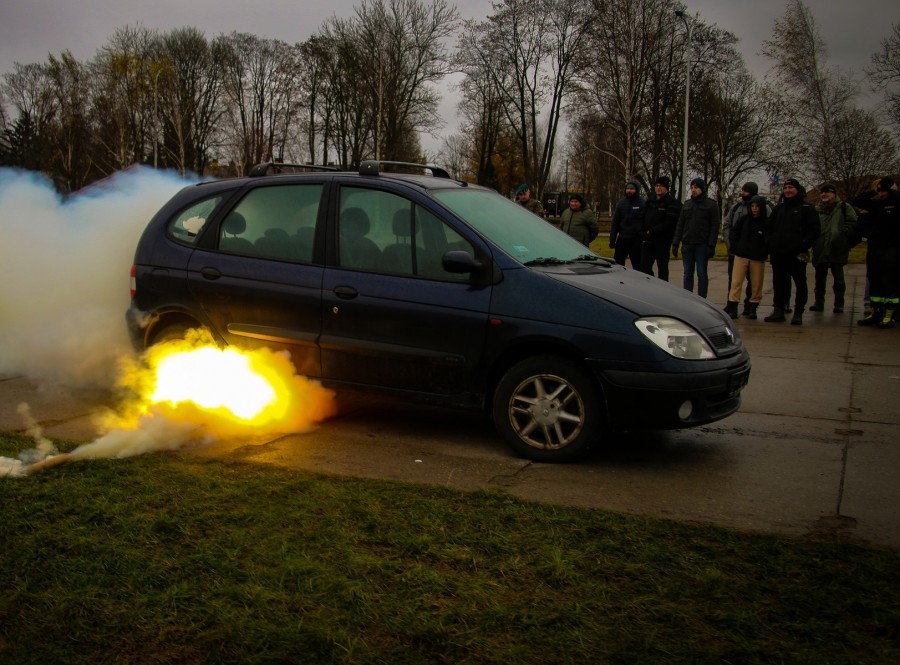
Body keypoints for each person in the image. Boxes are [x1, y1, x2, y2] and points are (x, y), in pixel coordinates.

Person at [763, 178, 820, 325]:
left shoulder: (807, 208)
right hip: (778, 254)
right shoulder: (778, 209)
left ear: (797, 189)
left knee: (800, 283)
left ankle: (798, 312)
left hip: (797, 254)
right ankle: (779, 310)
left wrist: (802, 245)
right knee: (779, 283)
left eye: (790, 187)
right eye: (785, 188)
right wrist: (770, 242)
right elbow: (768, 228)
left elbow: (814, 231)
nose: (787, 190)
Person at [853, 177, 900, 328]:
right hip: (875, 247)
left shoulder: (896, 204)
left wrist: (892, 191)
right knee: (874, 280)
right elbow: (857, 201)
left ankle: (890, 314)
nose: (881, 194)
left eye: (884, 191)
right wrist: (874, 190)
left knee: (890, 281)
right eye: (879, 191)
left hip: (892, 248)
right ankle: (876, 312)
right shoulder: (875, 205)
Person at [723, 183, 771, 315]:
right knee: (735, 282)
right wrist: (732, 246)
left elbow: (769, 236)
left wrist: (764, 250)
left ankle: (751, 307)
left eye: (757, 206)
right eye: (752, 206)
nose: (755, 209)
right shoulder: (738, 211)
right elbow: (731, 229)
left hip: (757, 257)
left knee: (755, 284)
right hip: (740, 254)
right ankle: (732, 306)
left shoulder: (766, 216)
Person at [810, 183, 857, 314]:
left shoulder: (844, 207)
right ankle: (819, 302)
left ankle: (839, 304)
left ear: (834, 194)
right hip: (820, 247)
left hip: (837, 248)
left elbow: (853, 222)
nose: (824, 194)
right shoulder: (817, 210)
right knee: (820, 278)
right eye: (822, 192)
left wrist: (843, 234)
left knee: (839, 279)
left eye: (827, 192)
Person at [672, 177, 720, 298]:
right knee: (687, 273)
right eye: (692, 187)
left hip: (702, 245)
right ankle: (688, 298)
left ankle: (702, 298)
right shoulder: (687, 204)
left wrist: (711, 245)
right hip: (687, 244)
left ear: (702, 189)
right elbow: (680, 224)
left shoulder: (711, 204)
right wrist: (675, 243)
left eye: (696, 187)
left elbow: (714, 227)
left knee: (702, 273)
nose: (693, 190)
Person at [639, 176, 682, 280]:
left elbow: (669, 222)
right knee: (644, 267)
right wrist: (642, 230)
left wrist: (652, 231)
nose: (658, 188)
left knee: (662, 267)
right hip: (648, 240)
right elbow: (641, 216)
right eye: (657, 186)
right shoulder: (650, 201)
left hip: (663, 241)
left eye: (661, 186)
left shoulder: (672, 203)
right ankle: (650, 284)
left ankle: (662, 287)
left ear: (666, 188)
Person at [609, 180, 646, 268]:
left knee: (638, 266)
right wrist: (612, 239)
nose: (629, 191)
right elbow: (615, 222)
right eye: (628, 188)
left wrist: (643, 236)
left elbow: (645, 222)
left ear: (637, 190)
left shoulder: (642, 203)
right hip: (622, 239)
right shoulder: (621, 203)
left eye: (632, 189)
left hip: (636, 240)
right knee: (618, 265)